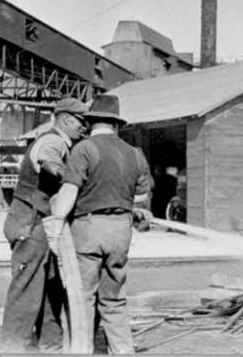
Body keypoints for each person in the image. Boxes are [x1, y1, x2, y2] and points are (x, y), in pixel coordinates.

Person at [45, 94, 151, 354]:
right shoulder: (135, 154)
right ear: (116, 124)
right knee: (114, 300)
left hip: (88, 229)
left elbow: (70, 190)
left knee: (82, 299)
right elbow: (142, 196)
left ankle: (80, 351)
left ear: (91, 122)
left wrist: (56, 226)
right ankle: (123, 351)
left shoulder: (84, 149)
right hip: (121, 230)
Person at [1, 98, 88, 352]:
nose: (84, 127)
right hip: (31, 222)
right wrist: (69, 176)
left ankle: (51, 345)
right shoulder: (53, 140)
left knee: (51, 286)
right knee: (26, 288)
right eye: (81, 121)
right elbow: (48, 159)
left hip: (44, 223)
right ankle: (11, 348)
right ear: (66, 118)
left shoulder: (66, 143)